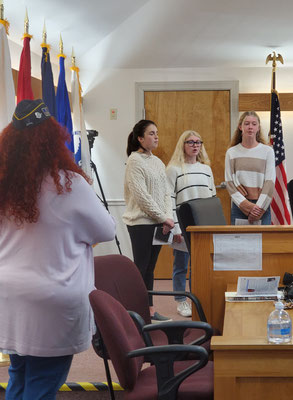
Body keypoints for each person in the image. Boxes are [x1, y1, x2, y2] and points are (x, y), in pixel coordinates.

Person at [0, 99, 116, 400]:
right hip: (52, 298)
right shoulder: (68, 184)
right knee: (41, 385)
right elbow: (107, 230)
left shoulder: (3, 185)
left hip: (9, 295)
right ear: (54, 140)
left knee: (20, 375)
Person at [123, 119, 174, 323]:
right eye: (151, 133)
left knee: (150, 269)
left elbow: (166, 194)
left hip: (160, 223)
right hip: (141, 224)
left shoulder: (158, 162)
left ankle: (150, 310)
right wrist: (163, 217)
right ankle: (137, 313)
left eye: (157, 133)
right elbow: (142, 197)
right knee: (141, 268)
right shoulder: (134, 161)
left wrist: (167, 217)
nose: (156, 137)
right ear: (140, 138)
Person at [166, 130, 216, 317]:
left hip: (203, 224)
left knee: (201, 264)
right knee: (181, 264)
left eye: (198, 142)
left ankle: (198, 297)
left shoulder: (206, 169)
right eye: (190, 142)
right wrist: (175, 227)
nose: (195, 145)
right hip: (182, 224)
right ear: (183, 145)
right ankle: (181, 300)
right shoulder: (174, 169)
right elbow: (169, 199)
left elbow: (212, 198)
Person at [225, 111, 276, 225]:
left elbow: (270, 182)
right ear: (240, 127)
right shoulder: (232, 152)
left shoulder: (267, 151)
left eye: (254, 124)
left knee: (264, 242)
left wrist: (258, 209)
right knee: (240, 242)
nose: (250, 127)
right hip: (239, 207)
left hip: (262, 206)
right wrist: (247, 207)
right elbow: (230, 183)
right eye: (247, 123)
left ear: (258, 128)